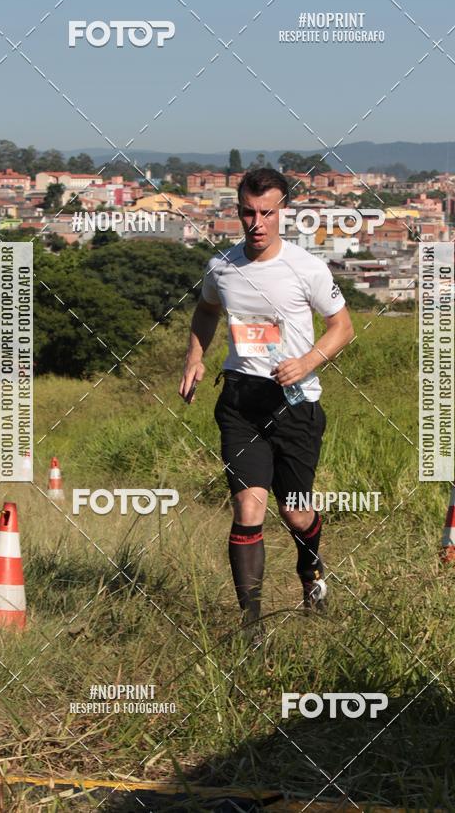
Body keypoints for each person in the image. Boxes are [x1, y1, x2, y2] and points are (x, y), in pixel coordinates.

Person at [179, 168, 355, 639]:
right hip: (241, 402)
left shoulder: (307, 268)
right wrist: (195, 357)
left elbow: (343, 327)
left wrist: (307, 361)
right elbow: (206, 309)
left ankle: (311, 570)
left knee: (295, 512)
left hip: (296, 403)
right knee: (248, 508)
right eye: (248, 213)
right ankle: (251, 626)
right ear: (237, 212)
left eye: (267, 213)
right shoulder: (222, 266)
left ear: (283, 212)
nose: (256, 223)